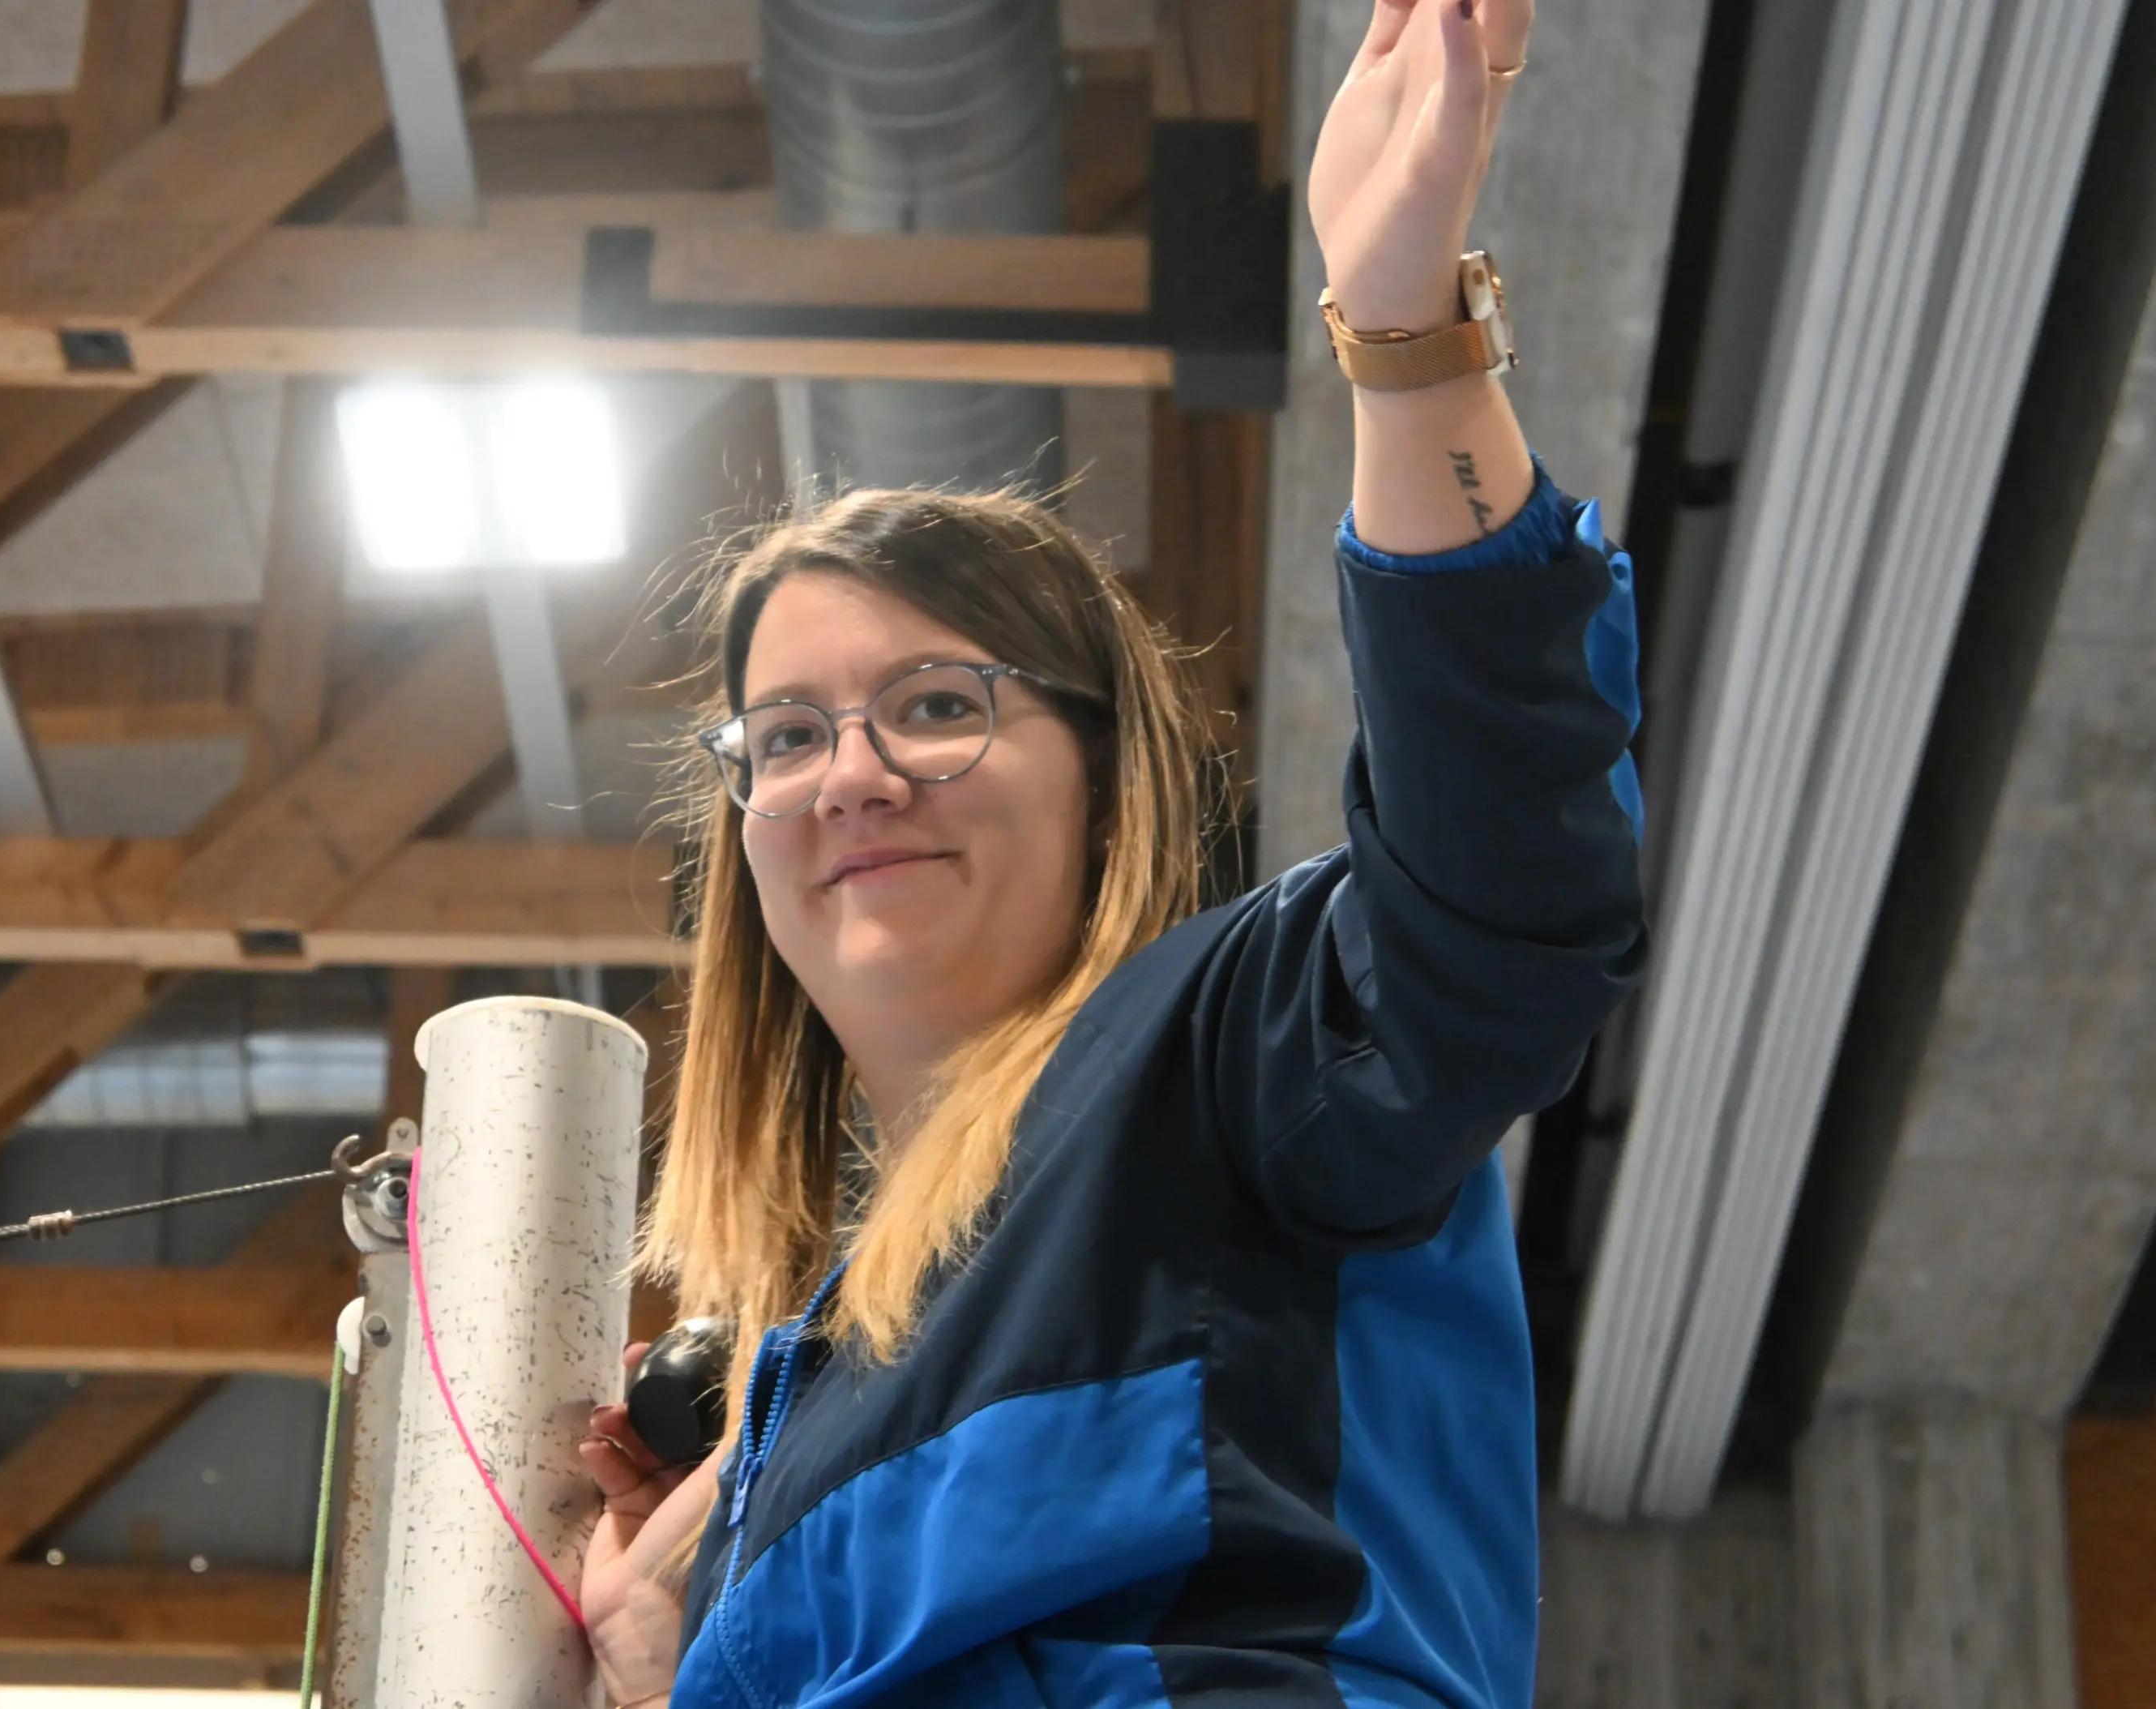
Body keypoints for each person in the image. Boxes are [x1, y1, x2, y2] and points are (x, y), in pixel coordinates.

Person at [576, 0, 1645, 1702]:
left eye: (934, 704)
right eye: (783, 737)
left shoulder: (1230, 1050)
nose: (848, 775)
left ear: (1105, 773)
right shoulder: (803, 1393)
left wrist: (1405, 336)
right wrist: (656, 1662)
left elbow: (1504, 896)